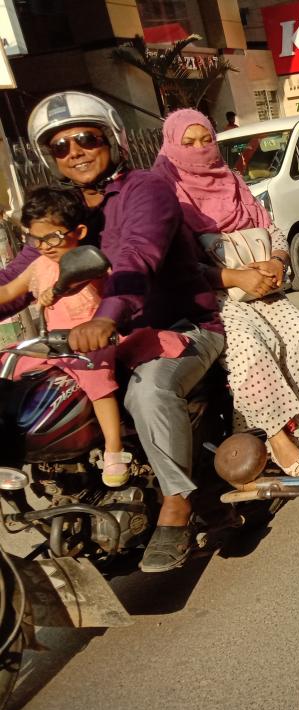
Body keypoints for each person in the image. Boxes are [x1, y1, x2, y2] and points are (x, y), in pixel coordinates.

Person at [0, 91, 227, 573]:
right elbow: (19, 278)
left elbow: (136, 257)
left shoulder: (147, 191)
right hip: (94, 347)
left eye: (85, 138)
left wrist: (107, 315)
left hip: (177, 331)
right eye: (60, 147)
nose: (75, 151)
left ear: (112, 139)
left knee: (148, 392)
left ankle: (176, 504)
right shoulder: (61, 213)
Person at [153, 109, 299, 476]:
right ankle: (277, 439)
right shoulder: (166, 191)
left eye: (206, 140)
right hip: (210, 296)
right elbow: (178, 265)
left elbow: (270, 228)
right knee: (253, 348)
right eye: (189, 144)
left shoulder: (231, 179)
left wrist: (279, 261)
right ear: (172, 146)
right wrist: (234, 278)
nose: (200, 150)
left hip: (260, 285)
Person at [0, 188, 131, 485]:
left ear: (79, 231)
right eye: (36, 239)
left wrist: (59, 286)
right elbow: (8, 291)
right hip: (54, 346)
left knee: (98, 382)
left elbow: (86, 275)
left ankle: (114, 449)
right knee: (10, 363)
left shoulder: (89, 259)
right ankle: (12, 451)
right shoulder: (37, 266)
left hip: (92, 345)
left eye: (53, 237)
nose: (45, 246)